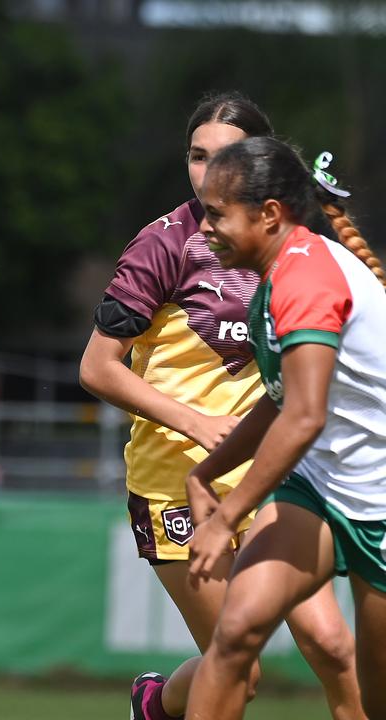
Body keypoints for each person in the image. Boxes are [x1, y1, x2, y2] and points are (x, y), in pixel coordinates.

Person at [78, 93, 362, 720]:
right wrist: (198, 423)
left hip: (272, 477)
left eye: (225, 157)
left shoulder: (289, 245)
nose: (208, 173)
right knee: (239, 675)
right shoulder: (163, 246)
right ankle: (156, 704)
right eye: (196, 156)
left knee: (332, 643)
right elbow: (96, 368)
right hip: (175, 485)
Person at [183, 138, 386, 720]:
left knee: (375, 700)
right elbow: (282, 400)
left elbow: (304, 415)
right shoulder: (277, 273)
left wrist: (225, 516)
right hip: (318, 486)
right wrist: (207, 474)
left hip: (380, 499)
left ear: (268, 214)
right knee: (236, 633)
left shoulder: (307, 278)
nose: (205, 228)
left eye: (217, 212)